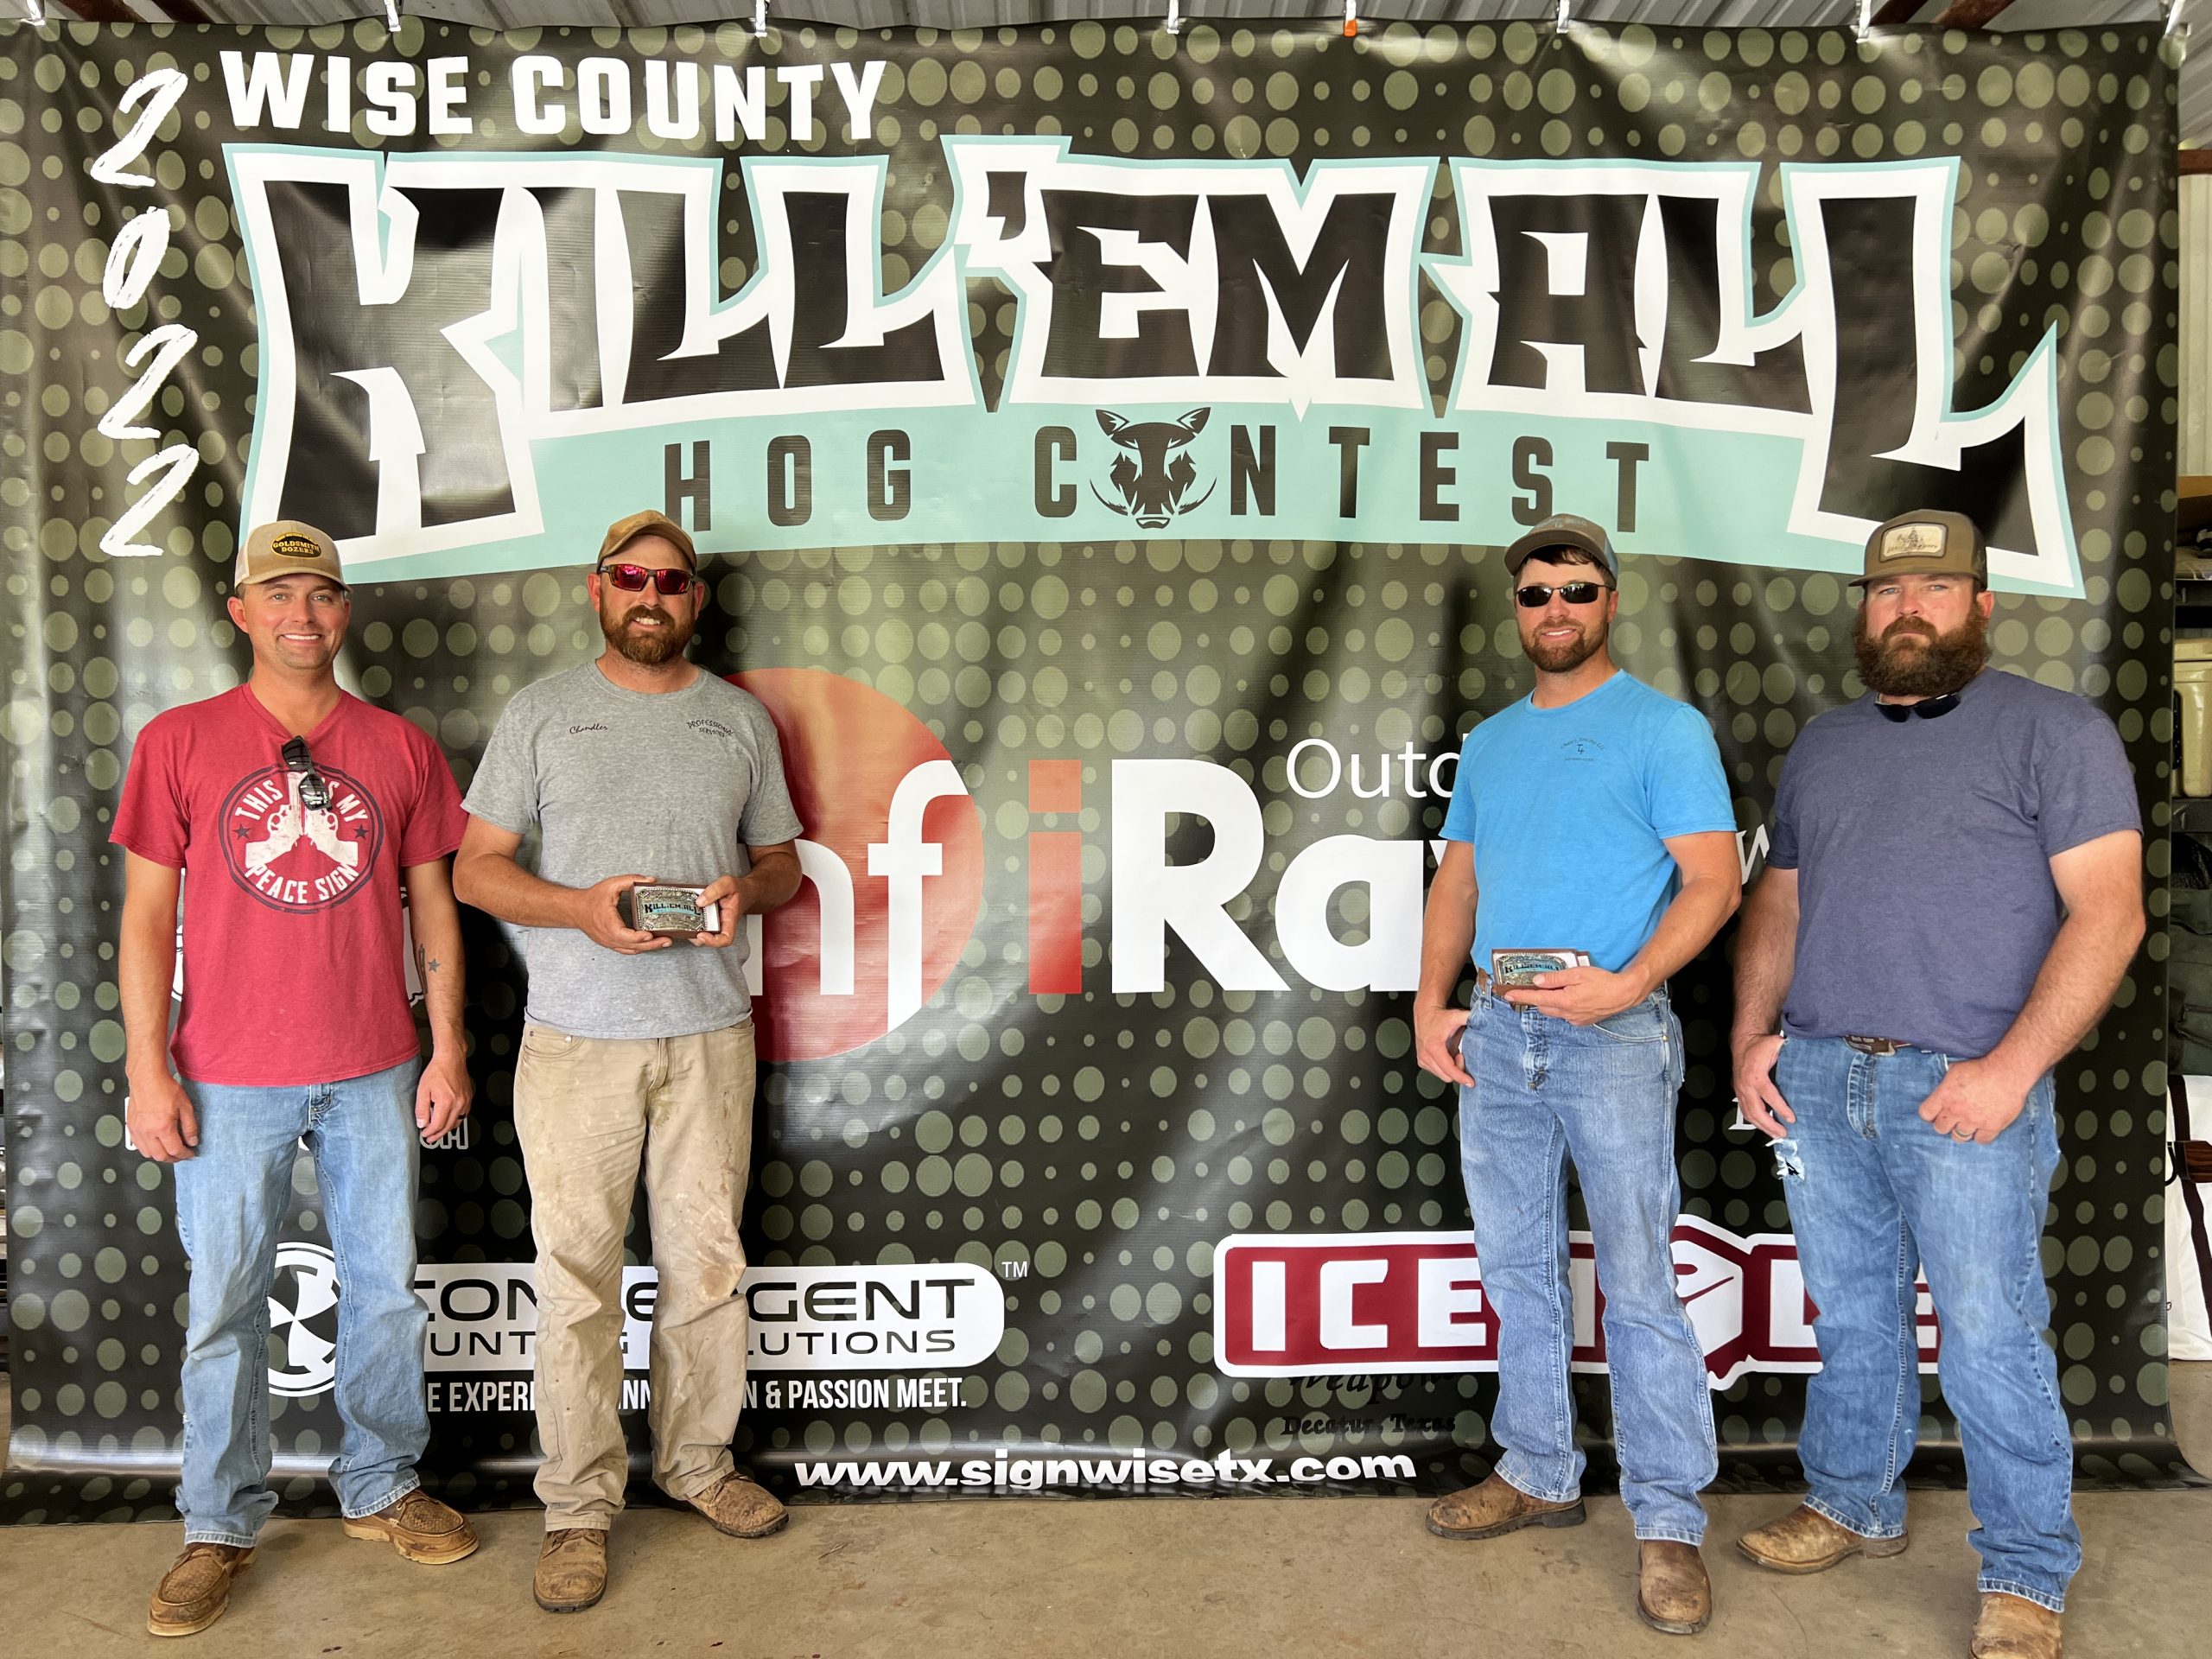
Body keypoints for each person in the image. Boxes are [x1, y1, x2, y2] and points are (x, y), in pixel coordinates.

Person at [1730, 510, 2143, 1659]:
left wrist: (2010, 1071)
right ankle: (1851, 1501)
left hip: (1967, 1086)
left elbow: (2110, 914)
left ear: (1981, 603)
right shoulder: (1824, 743)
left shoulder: (2055, 732)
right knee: (1852, 1315)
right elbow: (1780, 900)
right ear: (1865, 609)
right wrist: (1754, 1033)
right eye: (1886, 592)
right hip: (1820, 1076)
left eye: (1935, 589)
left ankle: (2025, 1570)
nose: (1907, 609)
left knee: (1989, 1334)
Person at [116, 520, 479, 1639]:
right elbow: (146, 919)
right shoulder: (178, 741)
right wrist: (146, 1067)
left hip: (375, 1066)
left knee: (385, 1289)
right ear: (241, 612)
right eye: (277, 594)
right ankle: (216, 1524)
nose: (301, 614)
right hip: (227, 1074)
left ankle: (382, 1483)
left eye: (319, 593)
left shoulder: (399, 748)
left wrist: (448, 1046)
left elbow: (434, 907)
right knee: (224, 1304)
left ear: (345, 610)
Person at [453, 509, 804, 1615]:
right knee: (576, 1284)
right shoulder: (542, 712)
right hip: (574, 1041)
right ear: (596, 588)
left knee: (707, 1266)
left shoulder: (737, 719)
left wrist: (745, 893)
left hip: (709, 1036)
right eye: (629, 578)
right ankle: (577, 1506)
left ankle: (698, 1465)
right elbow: (473, 870)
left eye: (670, 581)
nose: (650, 596)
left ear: (694, 598)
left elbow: (784, 864)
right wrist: (578, 910)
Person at [1414, 513, 1741, 1637]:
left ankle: (1668, 1522)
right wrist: (1429, 1003)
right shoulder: (1495, 741)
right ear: (1518, 610)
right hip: (1498, 1035)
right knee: (1516, 1270)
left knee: (1640, 1285)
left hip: (1613, 1038)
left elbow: (1714, 882)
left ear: (1610, 600)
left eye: (1577, 590)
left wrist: (1629, 981)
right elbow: (1458, 883)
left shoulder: (1664, 729)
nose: (1555, 609)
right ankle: (1538, 1469)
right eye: (1535, 594)